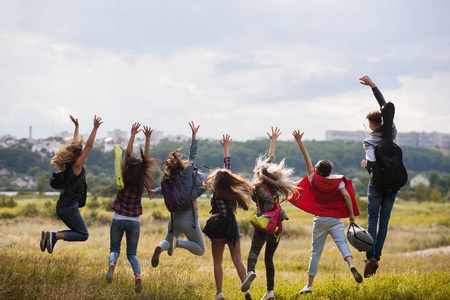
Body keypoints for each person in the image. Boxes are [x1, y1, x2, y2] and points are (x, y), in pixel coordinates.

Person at [290, 130, 362, 295]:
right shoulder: (337, 181)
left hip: (320, 219)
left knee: (315, 252)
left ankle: (309, 285)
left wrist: (299, 141)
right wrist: (351, 214)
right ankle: (351, 264)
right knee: (342, 244)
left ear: (317, 170)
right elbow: (346, 195)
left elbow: (306, 159)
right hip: (336, 219)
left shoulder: (313, 179)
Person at [241, 127, 298, 300]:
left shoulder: (257, 187)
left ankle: (250, 272)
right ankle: (269, 292)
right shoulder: (274, 183)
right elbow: (270, 163)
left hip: (265, 223)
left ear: (259, 174)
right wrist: (273, 142)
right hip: (278, 225)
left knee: (254, 252)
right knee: (269, 258)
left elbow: (265, 202)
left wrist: (264, 216)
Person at [106, 123, 157, 293]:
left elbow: (127, 154)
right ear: (141, 170)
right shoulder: (141, 178)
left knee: (114, 250)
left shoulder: (124, 175)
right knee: (132, 254)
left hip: (119, 218)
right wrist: (148, 138)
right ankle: (137, 276)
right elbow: (147, 158)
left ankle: (112, 264)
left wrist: (132, 135)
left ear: (127, 165)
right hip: (134, 221)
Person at [41, 115, 102, 253]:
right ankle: (54, 236)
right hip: (69, 208)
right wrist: (95, 128)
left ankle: (51, 237)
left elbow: (76, 145)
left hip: (62, 207)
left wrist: (77, 128)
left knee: (78, 231)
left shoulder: (69, 166)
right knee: (84, 234)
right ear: (79, 155)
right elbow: (89, 146)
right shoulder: (76, 167)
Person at [202, 134, 254, 300]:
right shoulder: (230, 188)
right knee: (237, 259)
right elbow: (227, 167)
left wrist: (213, 217)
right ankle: (246, 291)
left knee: (218, 261)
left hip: (219, 226)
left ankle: (219, 293)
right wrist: (226, 148)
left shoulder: (217, 190)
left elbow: (222, 213)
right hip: (231, 225)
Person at [150, 121, 206, 267]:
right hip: (189, 217)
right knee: (201, 249)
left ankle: (160, 247)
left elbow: (164, 189)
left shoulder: (170, 178)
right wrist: (194, 136)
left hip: (174, 218)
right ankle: (178, 243)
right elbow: (193, 156)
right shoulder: (186, 174)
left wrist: (154, 191)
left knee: (166, 239)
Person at [359, 75, 398, 277]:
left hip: (377, 184)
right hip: (394, 181)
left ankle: (370, 257)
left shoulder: (370, 141)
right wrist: (374, 86)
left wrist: (367, 166)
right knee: (384, 221)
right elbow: (386, 107)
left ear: (371, 123)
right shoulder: (391, 130)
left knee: (372, 219)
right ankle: (378, 256)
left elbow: (372, 163)